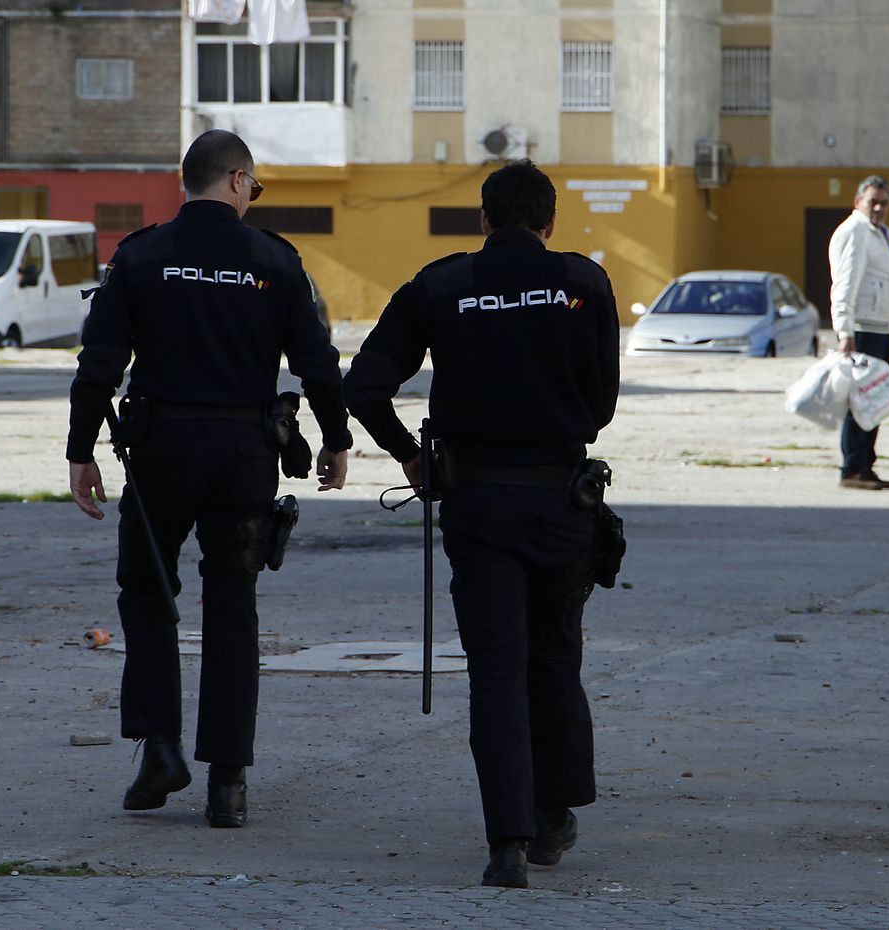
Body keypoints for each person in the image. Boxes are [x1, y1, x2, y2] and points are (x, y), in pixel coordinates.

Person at [342, 159, 620, 889]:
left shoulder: (440, 284)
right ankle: (555, 814)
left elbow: (364, 385)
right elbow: (601, 408)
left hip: (478, 503)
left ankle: (508, 843)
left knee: (497, 671)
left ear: (484, 221)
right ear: (550, 222)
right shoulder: (585, 283)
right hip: (563, 502)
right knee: (556, 657)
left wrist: (412, 456)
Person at [66, 129, 351, 828]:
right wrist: (337, 440)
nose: (253, 198)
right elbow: (318, 360)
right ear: (236, 180)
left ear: (185, 181)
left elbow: (99, 361)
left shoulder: (141, 256)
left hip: (161, 447)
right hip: (243, 453)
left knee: (148, 592)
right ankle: (228, 783)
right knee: (232, 607)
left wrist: (81, 450)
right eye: (252, 187)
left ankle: (160, 748)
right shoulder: (275, 261)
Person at [828, 175, 889, 490]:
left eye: (884, 202)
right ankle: (853, 468)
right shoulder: (857, 230)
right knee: (861, 401)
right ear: (857, 202)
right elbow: (844, 283)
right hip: (863, 328)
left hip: (880, 327)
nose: (878, 207)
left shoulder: (877, 234)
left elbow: (882, 279)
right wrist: (844, 329)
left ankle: (865, 465)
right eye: (872, 201)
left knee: (874, 400)